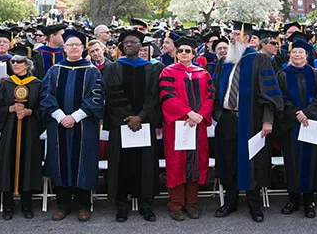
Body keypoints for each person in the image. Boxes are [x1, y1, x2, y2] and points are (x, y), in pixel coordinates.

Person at [211, 22, 283, 222]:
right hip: (227, 120)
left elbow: (270, 94)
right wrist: (219, 115)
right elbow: (215, 91)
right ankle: (230, 202)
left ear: (249, 39)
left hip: (252, 119)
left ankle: (254, 206)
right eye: (231, 34)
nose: (233, 38)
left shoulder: (260, 60)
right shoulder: (224, 61)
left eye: (237, 34)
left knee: (252, 163)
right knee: (228, 161)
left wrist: (268, 120)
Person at [41, 29, 104, 222]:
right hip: (59, 125)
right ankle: (63, 205)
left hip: (84, 126)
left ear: (83, 48)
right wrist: (61, 117)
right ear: (64, 48)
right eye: (70, 45)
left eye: (77, 45)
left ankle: (84, 205)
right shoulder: (55, 70)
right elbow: (45, 95)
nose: (74, 48)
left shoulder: (92, 71)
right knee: (60, 162)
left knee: (83, 162)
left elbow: (96, 97)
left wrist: (75, 117)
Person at [102, 30, 162, 222]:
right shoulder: (112, 68)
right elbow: (112, 96)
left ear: (141, 46)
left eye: (133, 42)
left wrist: (141, 116)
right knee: (122, 162)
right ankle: (121, 204)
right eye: (126, 42)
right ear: (121, 46)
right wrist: (130, 117)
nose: (129, 45)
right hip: (121, 124)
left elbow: (154, 96)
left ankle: (146, 204)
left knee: (145, 162)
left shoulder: (153, 68)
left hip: (144, 123)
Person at [159, 36, 214, 221]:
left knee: (196, 163)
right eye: (181, 50)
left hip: (197, 126)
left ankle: (191, 203)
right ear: (176, 52)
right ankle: (175, 204)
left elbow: (210, 97)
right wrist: (189, 113)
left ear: (194, 53)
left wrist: (200, 115)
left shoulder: (203, 73)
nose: (184, 53)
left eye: (187, 51)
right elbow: (167, 97)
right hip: (178, 126)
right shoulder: (168, 71)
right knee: (177, 163)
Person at [277, 38, 317, 218]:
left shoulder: (316, 74)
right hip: (292, 125)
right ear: (289, 55)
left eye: (301, 52)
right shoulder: (283, 75)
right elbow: (280, 98)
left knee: (311, 161)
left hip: (310, 124)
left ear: (306, 55)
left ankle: (309, 202)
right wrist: (296, 113)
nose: (297, 55)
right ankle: (293, 200)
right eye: (294, 52)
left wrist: (307, 113)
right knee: (292, 162)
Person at [0, 52, 43, 220]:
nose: (15, 64)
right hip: (9, 129)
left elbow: (44, 108)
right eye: (13, 61)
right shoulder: (6, 84)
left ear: (27, 64)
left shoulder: (37, 84)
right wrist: (9, 109)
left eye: (19, 61)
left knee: (27, 163)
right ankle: (8, 205)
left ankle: (27, 204)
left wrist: (30, 111)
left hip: (30, 129)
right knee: (8, 163)